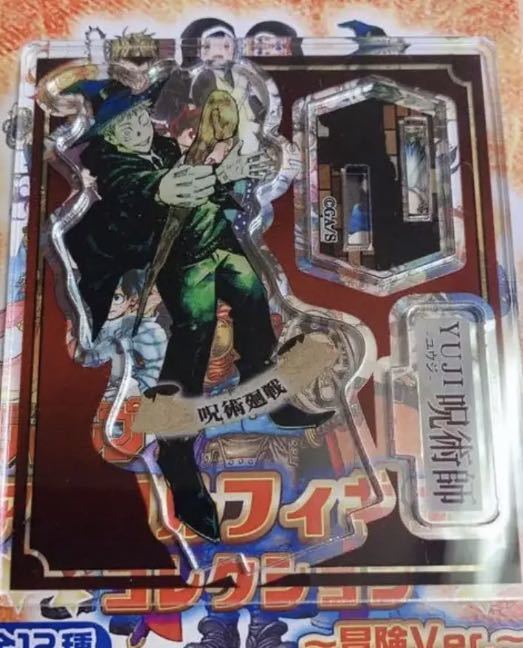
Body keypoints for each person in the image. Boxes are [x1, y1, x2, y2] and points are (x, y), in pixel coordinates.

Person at [62, 77, 331, 543]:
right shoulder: (117, 171)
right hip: (178, 264)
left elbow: (206, 190)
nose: (138, 128)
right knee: (193, 339)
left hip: (215, 244)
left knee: (253, 301)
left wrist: (241, 173)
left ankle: (271, 399)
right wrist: (213, 175)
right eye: (124, 126)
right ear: (108, 138)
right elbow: (166, 188)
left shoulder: (164, 147)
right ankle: (176, 456)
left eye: (139, 116)